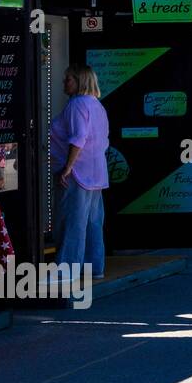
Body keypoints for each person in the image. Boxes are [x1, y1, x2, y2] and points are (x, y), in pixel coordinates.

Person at [49, 65, 110, 280]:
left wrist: (67, 167)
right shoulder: (97, 105)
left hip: (77, 173)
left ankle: (66, 270)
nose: (64, 83)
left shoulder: (76, 105)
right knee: (93, 222)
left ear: (80, 81)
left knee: (71, 221)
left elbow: (78, 138)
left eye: (68, 80)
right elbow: (103, 140)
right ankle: (95, 267)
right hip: (96, 173)